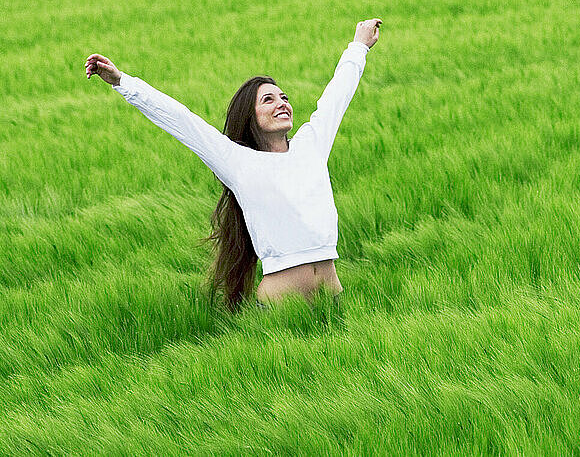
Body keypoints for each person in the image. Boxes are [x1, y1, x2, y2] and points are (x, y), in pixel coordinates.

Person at [85, 18, 382, 313]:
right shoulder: (238, 162)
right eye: (268, 100)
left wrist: (358, 46)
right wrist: (122, 82)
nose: (282, 103)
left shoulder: (311, 145)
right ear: (250, 116)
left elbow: (337, 95)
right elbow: (181, 120)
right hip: (279, 310)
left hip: (332, 300)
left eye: (284, 97)